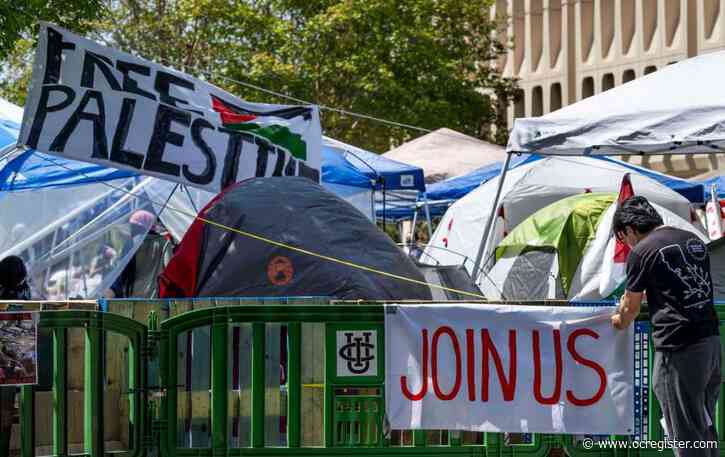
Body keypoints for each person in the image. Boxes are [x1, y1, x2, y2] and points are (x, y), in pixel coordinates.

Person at [610, 196, 720, 456]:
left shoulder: (642, 251)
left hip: (679, 348)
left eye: (622, 239)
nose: (625, 245)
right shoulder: (692, 240)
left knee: (684, 429)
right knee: (704, 424)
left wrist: (618, 320)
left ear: (628, 230)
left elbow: (630, 309)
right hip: (712, 342)